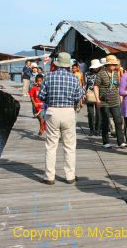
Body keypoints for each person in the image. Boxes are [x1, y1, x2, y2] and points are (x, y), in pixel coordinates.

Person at [38, 52, 84, 185]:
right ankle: (70, 176)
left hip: (52, 112)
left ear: (57, 64)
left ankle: (49, 177)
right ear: (68, 65)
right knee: (69, 146)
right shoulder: (74, 78)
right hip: (68, 112)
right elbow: (78, 97)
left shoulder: (48, 77)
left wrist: (50, 98)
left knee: (51, 146)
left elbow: (41, 96)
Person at [94, 54, 126, 149]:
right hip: (104, 101)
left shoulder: (116, 73)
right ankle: (106, 141)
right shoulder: (101, 73)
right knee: (105, 121)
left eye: (115, 64)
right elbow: (96, 86)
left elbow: (117, 86)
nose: (113, 66)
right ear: (107, 65)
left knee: (118, 121)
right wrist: (97, 100)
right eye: (112, 64)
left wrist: (121, 98)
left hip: (115, 100)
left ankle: (120, 142)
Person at [85, 59, 103, 136]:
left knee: (99, 114)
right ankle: (91, 130)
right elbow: (85, 85)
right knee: (90, 113)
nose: (96, 68)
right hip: (90, 94)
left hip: (100, 95)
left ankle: (98, 130)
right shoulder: (87, 74)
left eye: (97, 67)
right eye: (94, 67)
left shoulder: (102, 74)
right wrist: (84, 94)